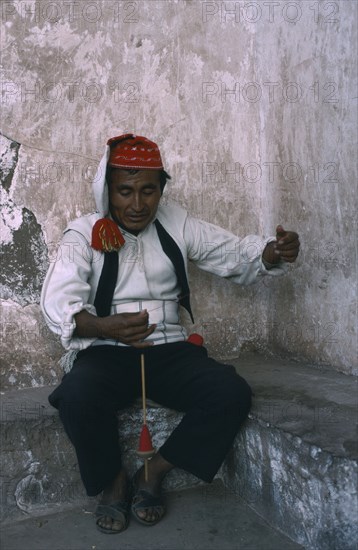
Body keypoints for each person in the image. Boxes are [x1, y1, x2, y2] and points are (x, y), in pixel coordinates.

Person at [41, 133, 300, 534]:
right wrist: (101, 325)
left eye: (149, 191)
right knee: (76, 397)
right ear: (108, 189)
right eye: (125, 191)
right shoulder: (82, 233)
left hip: (169, 349)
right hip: (107, 348)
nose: (138, 204)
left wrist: (269, 254)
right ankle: (113, 481)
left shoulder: (177, 223)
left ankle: (153, 472)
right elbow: (57, 302)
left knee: (230, 393)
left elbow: (228, 252)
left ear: (162, 190)